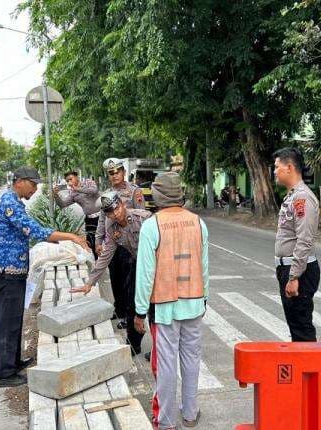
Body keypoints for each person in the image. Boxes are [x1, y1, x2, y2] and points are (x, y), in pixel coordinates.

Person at [0, 166, 89, 387]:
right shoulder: (9, 204)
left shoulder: (15, 202)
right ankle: (3, 374)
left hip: (14, 271)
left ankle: (13, 363)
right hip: (4, 273)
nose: (34, 189)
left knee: (14, 319)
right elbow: (36, 231)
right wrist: (71, 236)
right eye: (32, 185)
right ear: (20, 181)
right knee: (5, 322)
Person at [134, 172, 209, 429]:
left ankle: (165, 421)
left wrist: (140, 310)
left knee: (166, 364)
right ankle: (190, 413)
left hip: (165, 306)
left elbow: (145, 275)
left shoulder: (151, 226)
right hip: (195, 301)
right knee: (191, 359)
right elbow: (205, 266)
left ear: (157, 195)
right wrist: (204, 297)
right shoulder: (198, 223)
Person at [72, 191, 152, 355]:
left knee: (157, 308)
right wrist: (90, 282)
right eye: (109, 212)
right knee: (132, 306)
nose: (115, 214)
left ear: (122, 204)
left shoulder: (144, 218)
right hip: (137, 264)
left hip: (157, 265)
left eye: (116, 208)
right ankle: (134, 345)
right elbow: (106, 254)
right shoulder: (111, 226)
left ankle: (159, 348)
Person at [273, 147, 320, 342]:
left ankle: (309, 370)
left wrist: (293, 276)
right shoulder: (293, 195)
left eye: (277, 167)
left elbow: (304, 240)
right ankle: (305, 370)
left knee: (301, 329)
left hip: (299, 271)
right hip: (292, 268)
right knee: (296, 327)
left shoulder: (302, 198)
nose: (274, 171)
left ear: (289, 167)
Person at [95, 158, 145, 328]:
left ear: (123, 172)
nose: (115, 175)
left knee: (127, 281)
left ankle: (128, 316)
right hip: (112, 243)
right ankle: (120, 310)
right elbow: (102, 220)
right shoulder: (107, 194)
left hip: (128, 246)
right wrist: (98, 240)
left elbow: (141, 216)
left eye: (117, 171)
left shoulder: (134, 191)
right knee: (115, 278)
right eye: (111, 173)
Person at [54, 171, 101, 257]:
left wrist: (78, 189)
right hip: (90, 220)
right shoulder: (73, 193)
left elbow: (94, 191)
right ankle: (96, 262)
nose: (69, 182)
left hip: (102, 216)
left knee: (108, 239)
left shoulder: (88, 182)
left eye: (71, 179)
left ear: (77, 177)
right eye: (67, 181)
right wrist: (56, 195)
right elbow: (63, 204)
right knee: (91, 241)